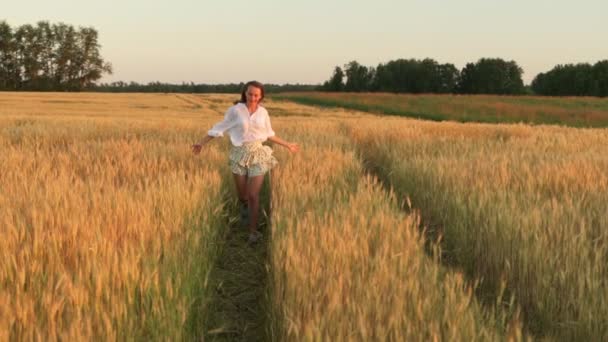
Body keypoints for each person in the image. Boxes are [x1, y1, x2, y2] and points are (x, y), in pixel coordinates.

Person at [191, 81, 299, 244]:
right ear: (245, 93)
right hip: (238, 154)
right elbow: (220, 128)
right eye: (250, 94)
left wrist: (287, 144)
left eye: (256, 95)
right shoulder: (235, 111)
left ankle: (253, 232)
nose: (253, 97)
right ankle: (244, 210)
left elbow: (269, 134)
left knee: (253, 195)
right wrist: (201, 142)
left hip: (258, 154)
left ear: (261, 96)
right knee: (243, 196)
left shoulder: (263, 112)